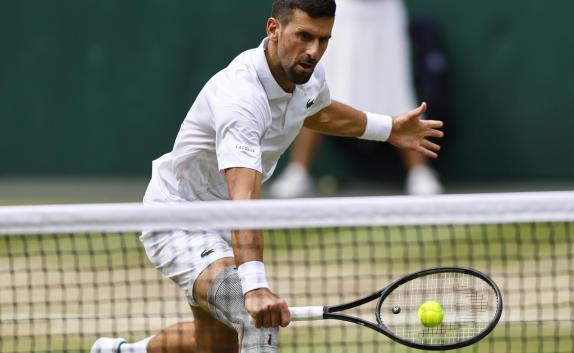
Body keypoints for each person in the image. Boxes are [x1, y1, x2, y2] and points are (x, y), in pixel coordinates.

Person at [91, 1, 443, 352]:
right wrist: (255, 286)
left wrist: (387, 128)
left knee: (214, 345)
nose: (313, 51)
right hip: (179, 220)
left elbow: (317, 110)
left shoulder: (306, 72)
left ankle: (123, 351)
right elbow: (243, 203)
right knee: (255, 320)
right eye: (304, 36)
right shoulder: (241, 100)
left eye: (323, 40)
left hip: (222, 221)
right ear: (273, 29)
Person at [269, 0, 443, 198]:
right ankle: (298, 171)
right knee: (318, 95)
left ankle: (419, 172)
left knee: (396, 90)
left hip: (385, 14)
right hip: (344, 11)